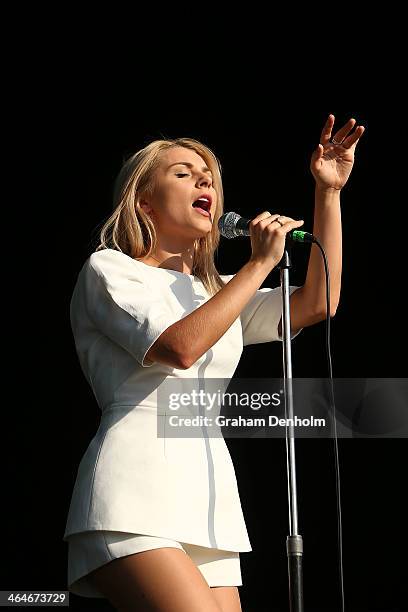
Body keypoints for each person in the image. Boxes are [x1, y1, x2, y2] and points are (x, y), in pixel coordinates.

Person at [63, 115, 364, 612]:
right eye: (182, 173)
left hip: (207, 498)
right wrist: (258, 264)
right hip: (132, 493)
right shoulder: (111, 270)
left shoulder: (218, 292)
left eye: (207, 175)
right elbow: (180, 347)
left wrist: (327, 193)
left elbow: (317, 303)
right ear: (144, 201)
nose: (204, 180)